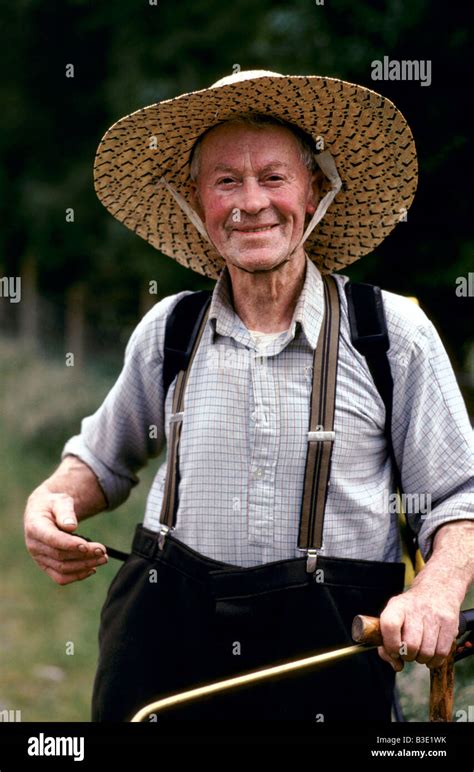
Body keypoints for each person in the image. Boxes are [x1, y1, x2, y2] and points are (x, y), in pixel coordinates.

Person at [24, 70, 474, 722]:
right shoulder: (169, 331)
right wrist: (51, 502)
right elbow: (100, 463)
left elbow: (459, 500)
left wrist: (436, 589)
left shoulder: (390, 336)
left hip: (329, 657)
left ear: (315, 190)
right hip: (163, 650)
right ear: (196, 200)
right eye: (226, 181)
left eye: (274, 177)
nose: (251, 201)